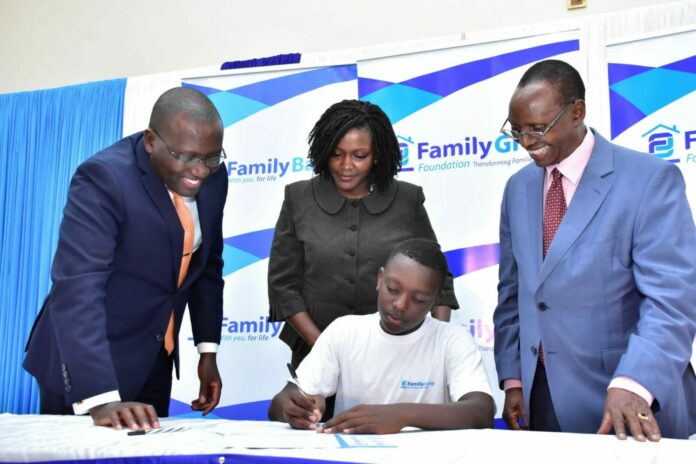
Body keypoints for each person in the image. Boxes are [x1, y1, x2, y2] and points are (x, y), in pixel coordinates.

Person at [493, 59, 696, 440]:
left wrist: (635, 382)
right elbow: (513, 294)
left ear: (577, 112)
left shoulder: (649, 180)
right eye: (516, 130)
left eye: (538, 128)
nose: (525, 142)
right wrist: (513, 379)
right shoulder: (516, 189)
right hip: (542, 403)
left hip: (627, 401)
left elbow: (674, 298)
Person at [23, 87, 228, 431]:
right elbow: (77, 287)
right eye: (186, 156)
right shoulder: (103, 178)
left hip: (153, 360)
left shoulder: (213, 175)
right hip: (87, 360)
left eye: (211, 157)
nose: (201, 171)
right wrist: (100, 398)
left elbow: (207, 265)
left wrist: (208, 352)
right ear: (150, 141)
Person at [268, 99, 458, 372]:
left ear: (377, 155)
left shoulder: (407, 200)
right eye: (336, 153)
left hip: (396, 356)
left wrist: (437, 344)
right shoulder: (298, 198)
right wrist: (323, 349)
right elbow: (283, 287)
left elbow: (438, 280)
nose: (346, 165)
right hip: (315, 353)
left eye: (359, 155)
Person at [268, 238, 494, 434]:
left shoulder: (452, 339)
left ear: (436, 300)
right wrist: (294, 409)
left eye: (418, 300)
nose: (400, 305)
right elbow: (279, 405)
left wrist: (399, 416)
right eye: (393, 289)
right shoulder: (345, 331)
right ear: (380, 279)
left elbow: (480, 411)